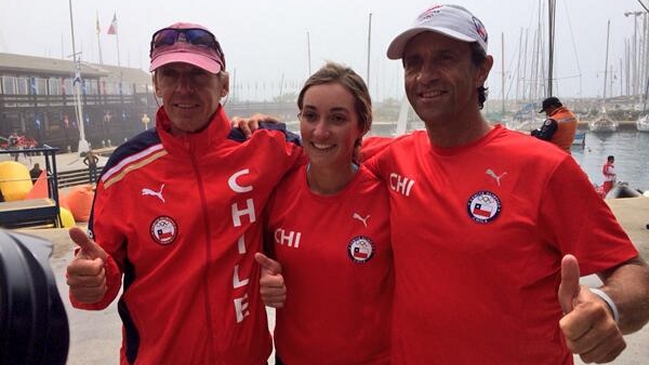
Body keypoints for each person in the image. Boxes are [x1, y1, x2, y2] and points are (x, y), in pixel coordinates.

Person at [361, 4, 649, 365]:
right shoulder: (392, 157)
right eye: (413, 63)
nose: (424, 76)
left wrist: (609, 306)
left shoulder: (546, 167)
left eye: (444, 58)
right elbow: (320, 146)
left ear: (482, 68)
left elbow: (635, 275)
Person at [65, 22, 302, 365]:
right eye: (170, 74)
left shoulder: (264, 146)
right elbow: (103, 273)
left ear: (224, 85)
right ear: (156, 85)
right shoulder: (124, 171)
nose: (183, 88)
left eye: (197, 75)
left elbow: (336, 153)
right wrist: (90, 282)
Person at [255, 62, 392, 365]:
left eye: (338, 118)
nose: (320, 131)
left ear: (362, 125)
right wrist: (264, 280)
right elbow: (260, 260)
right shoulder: (277, 191)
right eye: (311, 115)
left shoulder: (387, 197)